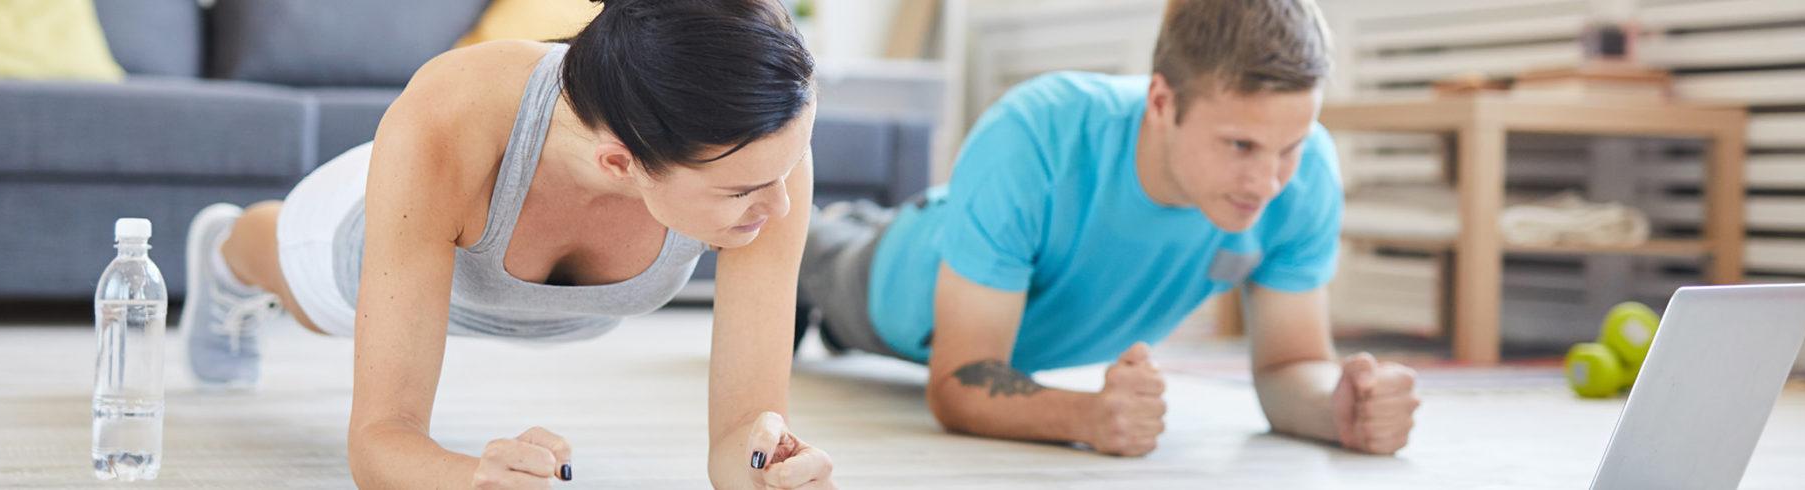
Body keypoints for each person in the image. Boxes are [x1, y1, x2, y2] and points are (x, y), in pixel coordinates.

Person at [177, 1, 835, 487]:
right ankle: (226, 252)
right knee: (296, 282)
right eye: (744, 191)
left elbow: (738, 435)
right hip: (357, 231)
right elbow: (379, 442)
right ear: (618, 165)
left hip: (528, 285)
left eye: (786, 173)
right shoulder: (450, 114)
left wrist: (766, 471)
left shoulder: (759, 147)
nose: (778, 207)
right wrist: (469, 477)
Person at [795, 0, 1421, 457]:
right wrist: (1087, 416)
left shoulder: (1306, 170)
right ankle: (830, 237)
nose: (1269, 180)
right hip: (891, 279)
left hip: (1016, 329)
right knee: (809, 255)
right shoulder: (1036, 132)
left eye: (1290, 145)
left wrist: (1338, 408)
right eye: (1240, 145)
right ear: (1161, 103)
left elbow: (1292, 365)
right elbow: (960, 382)